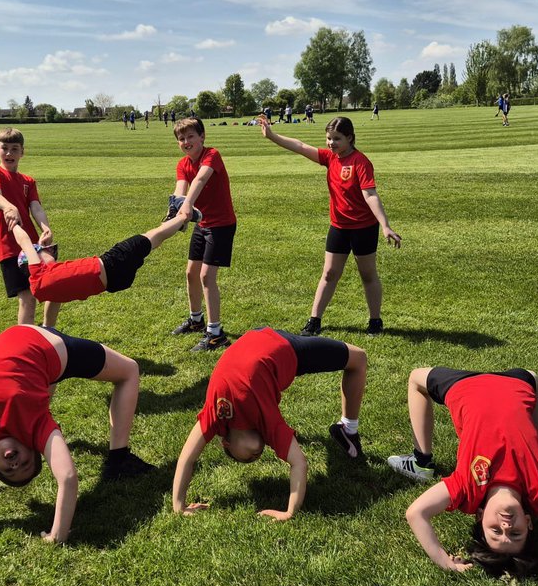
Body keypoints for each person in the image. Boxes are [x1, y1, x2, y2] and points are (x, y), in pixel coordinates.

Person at [386, 366, 538, 586]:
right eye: (516, 534)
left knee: (417, 378)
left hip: (463, 386)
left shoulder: (466, 488)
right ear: (529, 523)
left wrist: (446, 562)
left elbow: (416, 513)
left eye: (495, 531)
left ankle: (421, 462)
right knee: (533, 378)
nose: (506, 527)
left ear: (479, 517)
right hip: (517, 383)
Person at [0, 325, 157, 542]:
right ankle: (119, 459)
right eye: (25, 464)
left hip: (18, 341)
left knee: (41, 387)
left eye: (8, 469)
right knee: (129, 370)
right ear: (34, 447)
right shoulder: (37, 428)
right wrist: (57, 534)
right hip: (53, 349)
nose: (16, 464)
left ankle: (115, 456)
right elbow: (68, 478)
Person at [172, 327, 369, 521]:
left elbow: (187, 458)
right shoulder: (267, 423)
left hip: (279, 343)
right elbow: (299, 462)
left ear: (226, 443)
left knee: (359, 358)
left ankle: (348, 430)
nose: (254, 457)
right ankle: (346, 431)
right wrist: (290, 511)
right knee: (358, 358)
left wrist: (179, 506)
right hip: (280, 350)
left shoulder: (216, 414)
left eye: (245, 459)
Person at [257, 114, 401, 335]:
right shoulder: (330, 158)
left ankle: (375, 321)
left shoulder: (360, 162)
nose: (331, 143)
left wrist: (385, 225)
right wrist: (272, 136)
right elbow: (300, 146)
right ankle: (314, 320)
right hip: (339, 227)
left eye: (337, 139)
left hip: (363, 228)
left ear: (350, 138)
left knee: (368, 274)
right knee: (329, 273)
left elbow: (370, 194)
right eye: (329, 138)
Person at [10, 203, 200, 304]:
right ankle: (184, 215)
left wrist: (48, 329)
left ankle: (175, 223)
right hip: (111, 263)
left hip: (113, 282)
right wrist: (13, 222)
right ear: (32, 261)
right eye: (45, 251)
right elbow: (25, 241)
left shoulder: (44, 290)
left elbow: (53, 306)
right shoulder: (39, 275)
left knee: (151, 243)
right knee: (153, 236)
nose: (50, 250)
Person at [168, 116, 237, 351]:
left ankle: (216, 334)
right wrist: (176, 209)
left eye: (190, 137)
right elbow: (180, 189)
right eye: (181, 138)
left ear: (202, 137)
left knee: (207, 277)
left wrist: (187, 204)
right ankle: (196, 320)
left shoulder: (212, 155)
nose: (186, 142)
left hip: (222, 224)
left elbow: (200, 178)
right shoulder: (182, 164)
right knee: (191, 273)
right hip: (203, 224)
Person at [0, 127, 59, 327]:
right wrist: (9, 206)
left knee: (54, 284)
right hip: (10, 247)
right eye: (4, 148)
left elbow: (36, 207)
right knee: (27, 297)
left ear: (22, 152)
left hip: (34, 245)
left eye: (14, 149)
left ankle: (48, 331)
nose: (9, 153)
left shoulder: (28, 181)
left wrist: (45, 228)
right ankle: (25, 342)